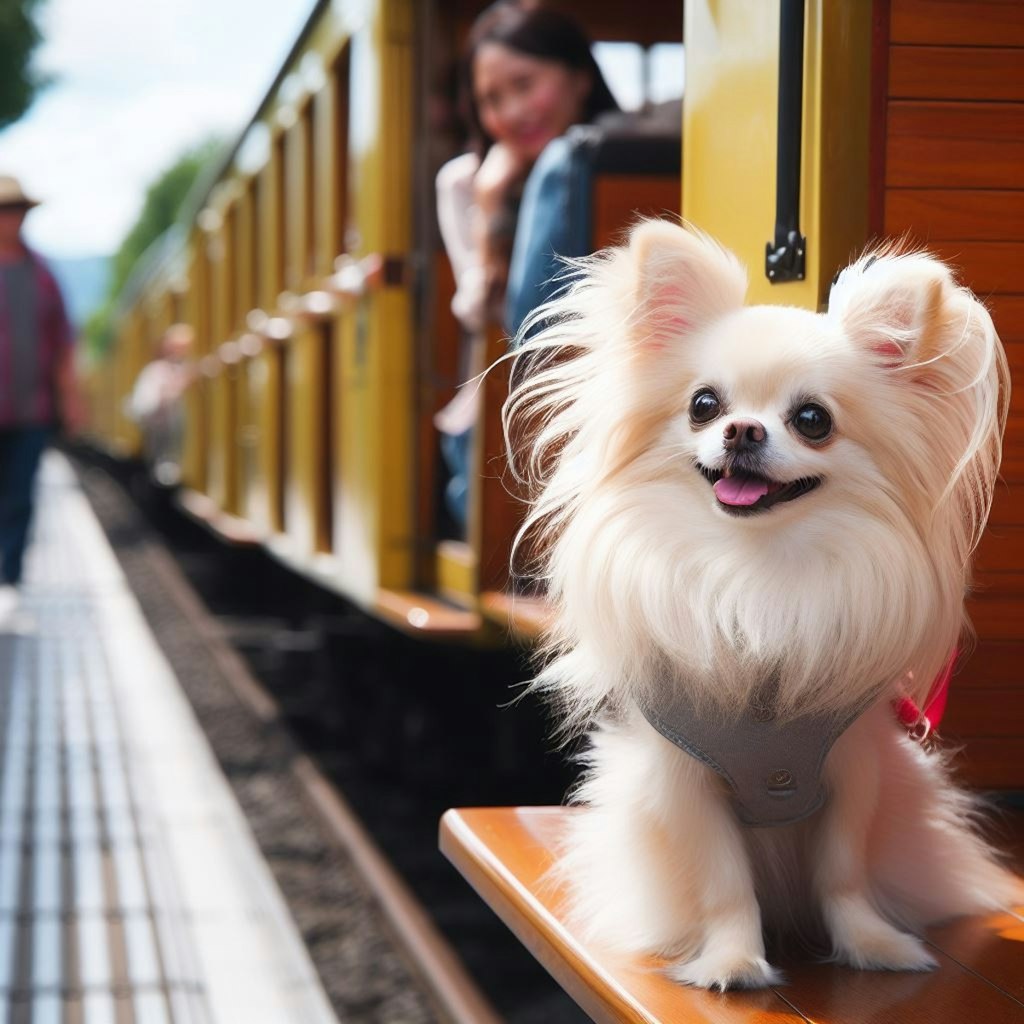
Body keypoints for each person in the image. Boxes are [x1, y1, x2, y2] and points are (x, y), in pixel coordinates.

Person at [435, 1, 619, 531]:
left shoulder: (614, 153)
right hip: (499, 417)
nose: (512, 112)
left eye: (524, 84)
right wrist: (491, 210)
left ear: (579, 77)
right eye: (492, 99)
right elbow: (479, 314)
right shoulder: (465, 181)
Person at [0, 174, 81, 602]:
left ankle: (9, 573)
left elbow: (64, 342)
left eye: (15, 211)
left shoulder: (44, 275)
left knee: (20, 491)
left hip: (32, 407)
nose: (9, 219)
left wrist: (71, 401)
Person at [128, 322, 196, 486]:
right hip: (160, 426)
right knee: (159, 461)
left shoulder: (178, 367)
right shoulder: (159, 369)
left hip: (161, 426)